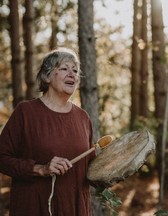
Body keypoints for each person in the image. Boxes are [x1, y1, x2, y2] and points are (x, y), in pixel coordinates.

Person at [0, 47, 94, 216]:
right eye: (64, 69)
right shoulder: (26, 112)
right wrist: (40, 169)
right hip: (34, 207)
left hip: (75, 208)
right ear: (48, 76)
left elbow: (91, 168)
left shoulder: (83, 118)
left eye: (75, 70)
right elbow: (1, 158)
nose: (72, 74)